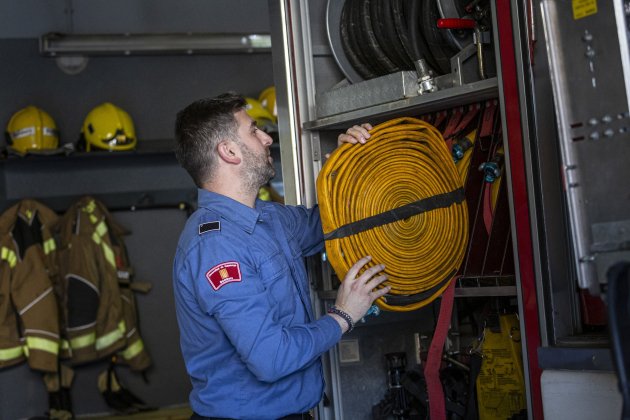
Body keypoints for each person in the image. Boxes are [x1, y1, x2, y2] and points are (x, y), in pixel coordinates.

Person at [172, 92, 390, 420]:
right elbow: (270, 359)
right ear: (229, 151)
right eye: (254, 130)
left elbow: (338, 224)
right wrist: (343, 316)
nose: (267, 138)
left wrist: (351, 163)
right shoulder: (215, 247)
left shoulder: (271, 219)